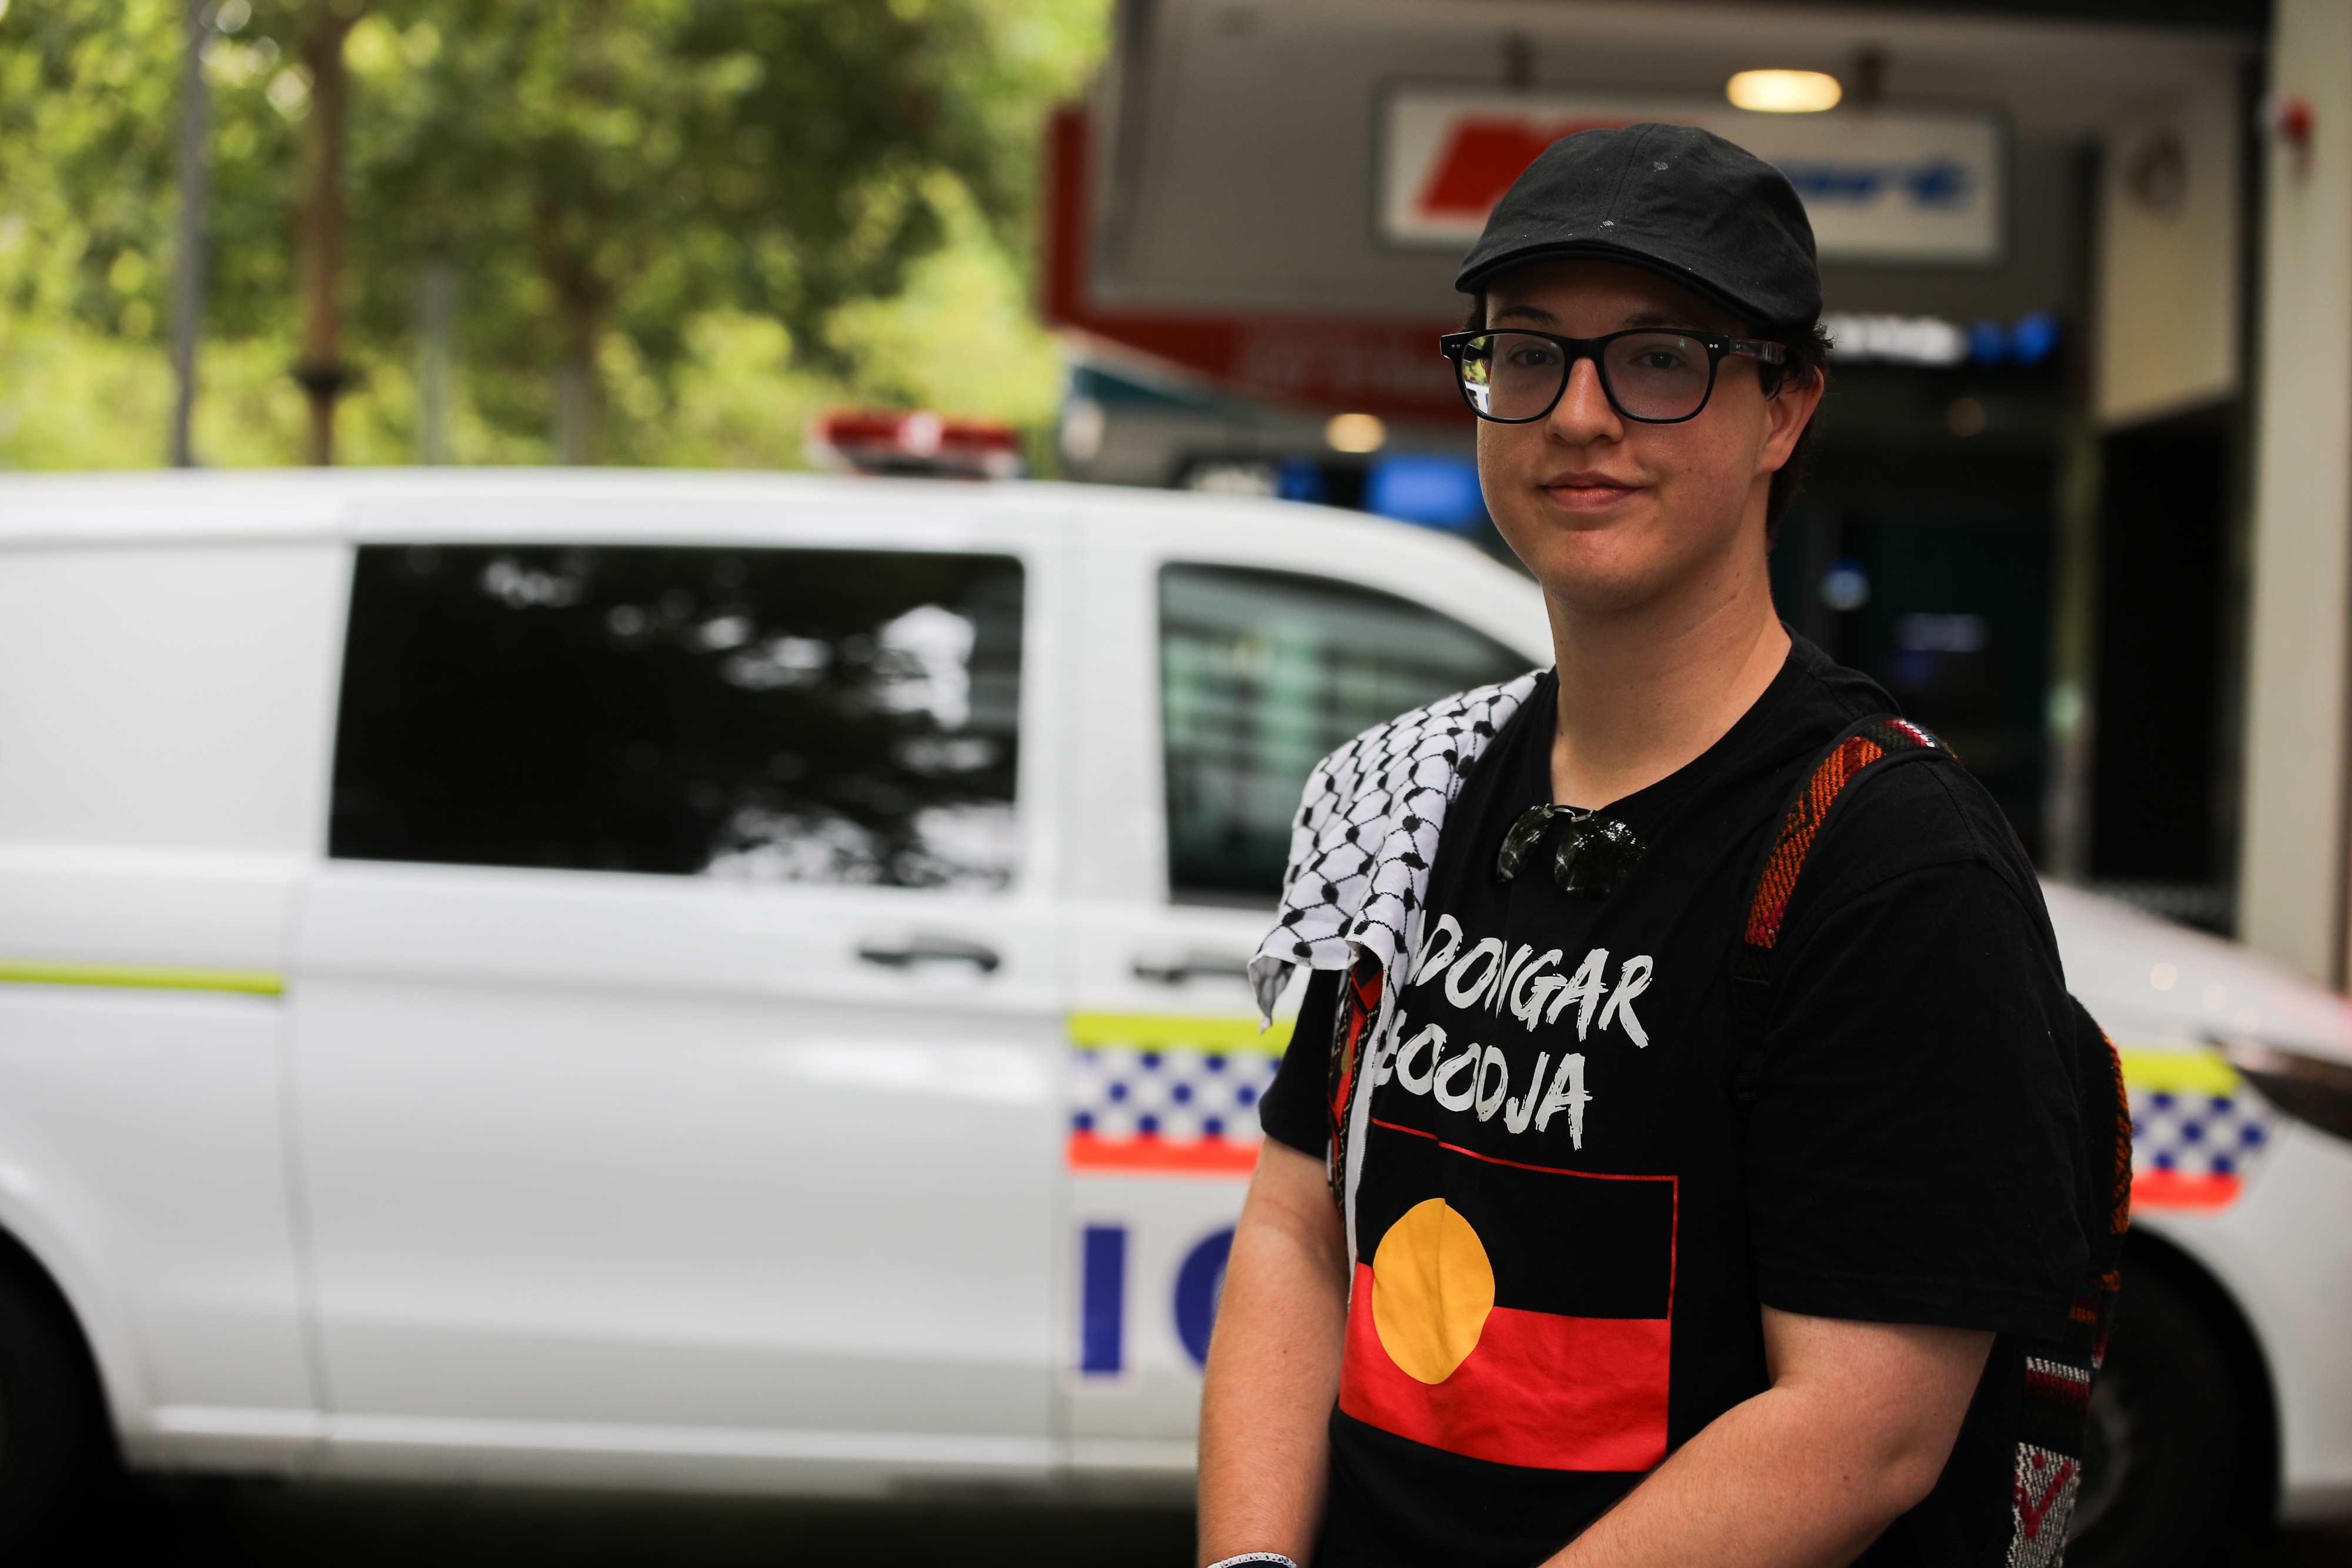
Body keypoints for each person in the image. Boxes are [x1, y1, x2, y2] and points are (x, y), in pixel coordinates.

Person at [1195, 125, 2091, 1568]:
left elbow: (1860, 1428)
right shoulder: (1412, 791)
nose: (1576, 414)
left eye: (1658, 358)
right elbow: (1298, 1224)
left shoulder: (1891, 862)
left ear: (1784, 407)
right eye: (1527, 352)